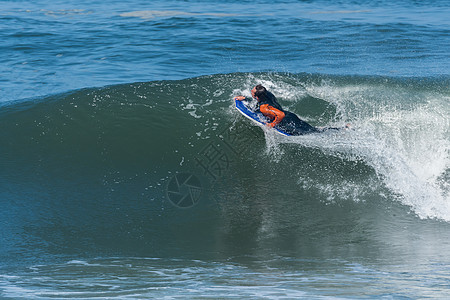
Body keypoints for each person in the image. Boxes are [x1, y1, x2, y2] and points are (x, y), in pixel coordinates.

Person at [235, 84, 344, 135]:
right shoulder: (267, 94)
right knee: (314, 130)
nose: (251, 90)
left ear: (257, 96)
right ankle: (342, 129)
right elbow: (259, 100)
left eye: (252, 91)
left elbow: (280, 115)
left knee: (312, 133)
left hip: (287, 123)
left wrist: (271, 125)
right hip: (291, 116)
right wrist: (246, 98)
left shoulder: (264, 108)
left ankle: (340, 131)